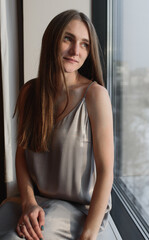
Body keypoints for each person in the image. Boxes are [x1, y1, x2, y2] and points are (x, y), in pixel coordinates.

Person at [0, 9, 114, 240]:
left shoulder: (95, 96)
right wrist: (29, 203)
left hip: (78, 209)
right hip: (36, 201)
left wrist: (88, 235)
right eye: (68, 38)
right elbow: (21, 155)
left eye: (84, 44)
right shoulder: (29, 92)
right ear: (52, 39)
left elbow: (105, 172)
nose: (75, 51)